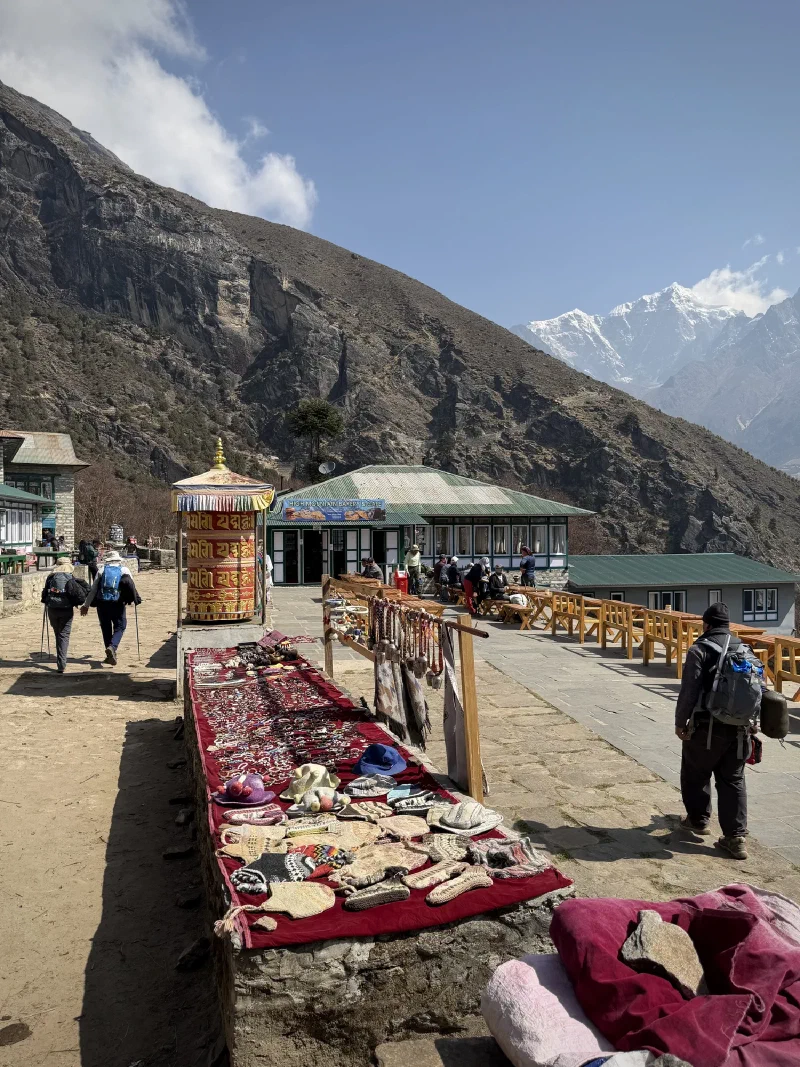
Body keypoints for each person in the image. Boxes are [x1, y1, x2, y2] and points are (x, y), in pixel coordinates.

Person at [675, 602, 753, 860]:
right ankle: (736, 838)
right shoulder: (745, 649)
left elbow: (689, 692)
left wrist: (680, 722)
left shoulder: (700, 649)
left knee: (696, 773)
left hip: (706, 728)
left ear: (706, 624)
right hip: (741, 731)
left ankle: (698, 821)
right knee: (733, 780)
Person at [80, 547, 141, 665]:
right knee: (120, 626)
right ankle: (112, 648)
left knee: (105, 627)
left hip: (102, 603)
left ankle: (110, 653)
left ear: (107, 560)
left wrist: (86, 605)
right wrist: (134, 599)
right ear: (118, 560)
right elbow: (132, 586)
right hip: (117, 602)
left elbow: (93, 590)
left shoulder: (102, 570)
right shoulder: (124, 570)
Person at [40, 556, 87, 673]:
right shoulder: (71, 577)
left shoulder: (51, 577)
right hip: (66, 609)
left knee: (58, 633)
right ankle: (61, 663)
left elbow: (45, 593)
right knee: (64, 635)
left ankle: (60, 659)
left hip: (52, 609)